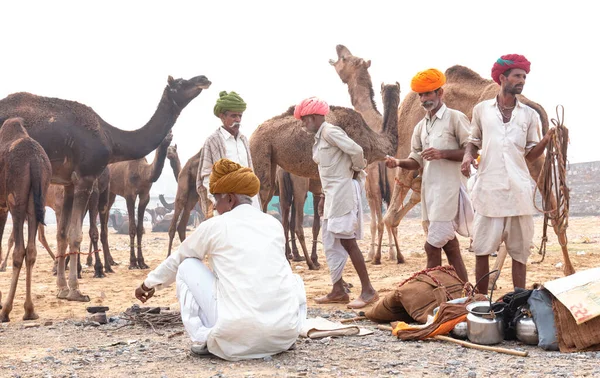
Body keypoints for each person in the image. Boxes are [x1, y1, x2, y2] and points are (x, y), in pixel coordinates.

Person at [135, 159, 307, 360]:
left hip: (235, 339)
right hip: (283, 336)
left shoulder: (216, 225)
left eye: (216, 200)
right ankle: (280, 330)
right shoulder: (273, 224)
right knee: (294, 279)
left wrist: (148, 284)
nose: (215, 206)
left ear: (231, 199)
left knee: (187, 265)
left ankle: (205, 338)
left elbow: (178, 258)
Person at [461, 54, 555, 294]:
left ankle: (518, 302)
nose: (521, 80)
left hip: (518, 193)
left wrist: (547, 140)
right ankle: (480, 301)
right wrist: (467, 156)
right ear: (502, 78)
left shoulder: (529, 115)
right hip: (488, 191)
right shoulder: (482, 110)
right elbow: (473, 140)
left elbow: (530, 155)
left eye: (524, 76)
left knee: (520, 253)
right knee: (482, 249)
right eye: (517, 76)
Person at [384, 68, 471, 283]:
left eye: (428, 93)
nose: (424, 99)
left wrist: (443, 154)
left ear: (440, 93)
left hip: (449, 192)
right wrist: (397, 162)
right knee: (450, 247)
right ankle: (466, 291)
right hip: (430, 195)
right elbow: (417, 160)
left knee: (431, 246)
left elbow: (471, 149)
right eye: (421, 95)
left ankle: (430, 294)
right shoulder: (421, 127)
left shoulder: (455, 118)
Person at [295, 97, 379, 309]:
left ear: (313, 118)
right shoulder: (319, 138)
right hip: (332, 193)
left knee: (347, 240)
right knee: (331, 240)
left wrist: (356, 171)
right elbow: (327, 171)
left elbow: (357, 152)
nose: (303, 124)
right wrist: (324, 195)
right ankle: (338, 289)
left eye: (304, 120)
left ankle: (368, 290)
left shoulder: (330, 132)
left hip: (343, 192)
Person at [196, 90, 260, 218]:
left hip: (249, 201)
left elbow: (250, 172)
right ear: (222, 116)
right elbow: (207, 175)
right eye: (233, 116)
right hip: (227, 204)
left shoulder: (244, 140)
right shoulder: (213, 141)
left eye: (240, 116)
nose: (238, 119)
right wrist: (218, 201)